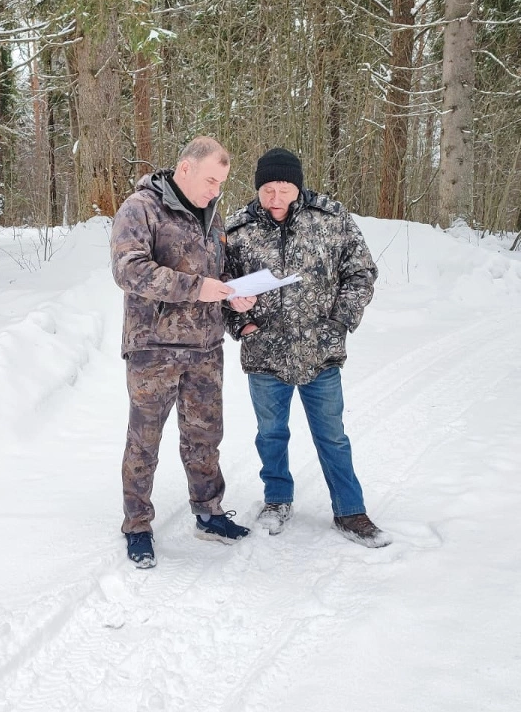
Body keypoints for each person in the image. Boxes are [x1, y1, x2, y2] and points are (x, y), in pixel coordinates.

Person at [223, 147, 391, 547]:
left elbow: (361, 272)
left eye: (284, 188)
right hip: (264, 351)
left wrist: (340, 322)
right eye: (267, 189)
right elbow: (221, 287)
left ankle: (350, 510)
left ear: (298, 186)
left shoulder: (331, 218)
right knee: (270, 434)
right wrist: (242, 321)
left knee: (332, 435)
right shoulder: (237, 229)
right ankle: (277, 499)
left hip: (321, 351)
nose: (275, 198)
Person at [110, 136, 253, 569]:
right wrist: (197, 288)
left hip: (205, 347)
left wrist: (233, 295)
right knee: (144, 441)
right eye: (211, 180)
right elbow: (129, 270)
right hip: (154, 348)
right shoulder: (141, 208)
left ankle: (209, 513)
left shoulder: (213, 215)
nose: (216, 190)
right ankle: (137, 525)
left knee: (205, 436)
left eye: (222, 183)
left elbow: (218, 274)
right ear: (185, 168)